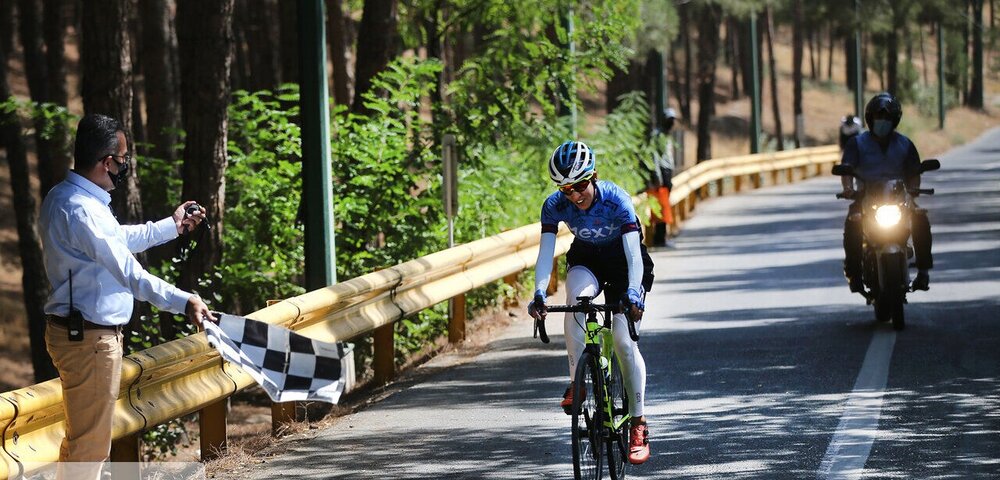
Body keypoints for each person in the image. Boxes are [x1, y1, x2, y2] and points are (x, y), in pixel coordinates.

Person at [39, 114, 216, 478]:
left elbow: (115, 240)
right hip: (89, 339)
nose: (124, 168)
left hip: (82, 334)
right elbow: (131, 273)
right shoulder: (81, 210)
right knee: (90, 446)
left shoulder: (69, 197)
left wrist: (173, 226)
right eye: (122, 160)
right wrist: (184, 301)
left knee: (85, 441)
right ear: (107, 162)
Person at [527, 140, 655, 465]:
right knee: (575, 300)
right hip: (588, 258)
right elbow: (545, 254)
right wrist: (539, 293)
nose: (574, 196)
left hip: (626, 263)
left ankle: (639, 423)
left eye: (580, 186)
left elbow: (633, 256)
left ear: (594, 176)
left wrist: (634, 294)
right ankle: (577, 382)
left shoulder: (617, 200)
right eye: (566, 189)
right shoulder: (554, 206)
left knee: (625, 343)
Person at [840, 93, 933, 293]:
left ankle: (924, 271)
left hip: (898, 197)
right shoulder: (857, 143)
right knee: (852, 222)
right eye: (878, 118)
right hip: (866, 197)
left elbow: (914, 171)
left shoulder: (905, 144)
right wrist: (848, 189)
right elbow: (846, 168)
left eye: (887, 119)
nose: (882, 122)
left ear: (895, 121)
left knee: (920, 218)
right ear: (870, 119)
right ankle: (854, 273)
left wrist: (913, 191)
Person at [641, 108, 678, 246]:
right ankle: (659, 239)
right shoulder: (657, 135)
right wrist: (658, 177)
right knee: (661, 206)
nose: (671, 122)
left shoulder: (667, 135)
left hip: (667, 173)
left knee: (664, 205)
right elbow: (654, 157)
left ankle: (661, 237)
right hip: (661, 174)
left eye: (673, 120)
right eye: (669, 119)